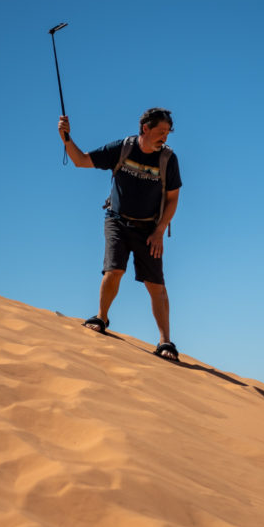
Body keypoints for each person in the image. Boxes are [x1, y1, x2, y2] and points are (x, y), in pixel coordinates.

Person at [58, 108, 183, 361]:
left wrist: (159, 231)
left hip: (150, 228)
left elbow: (172, 199)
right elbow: (81, 160)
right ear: (145, 129)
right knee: (114, 270)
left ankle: (165, 341)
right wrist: (66, 138)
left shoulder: (168, 159)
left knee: (156, 285)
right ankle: (101, 317)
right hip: (117, 220)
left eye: (167, 133)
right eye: (160, 132)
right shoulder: (122, 148)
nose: (164, 138)